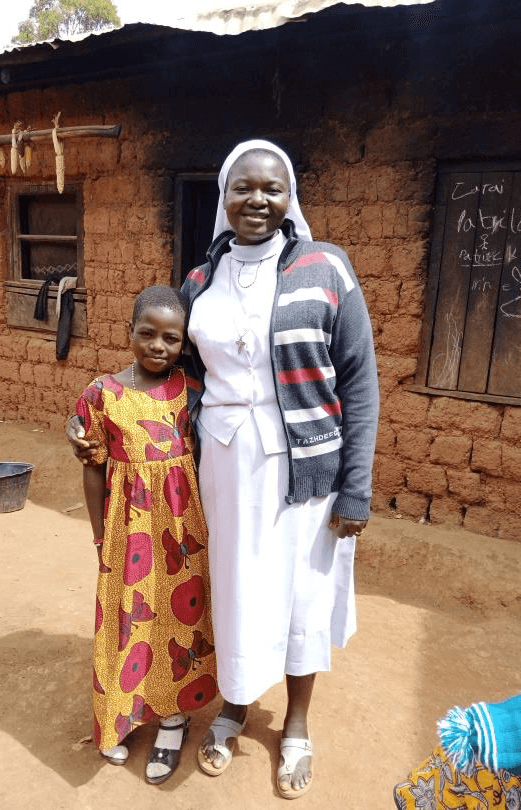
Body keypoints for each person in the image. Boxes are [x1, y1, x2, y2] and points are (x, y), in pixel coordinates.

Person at [180, 139, 379, 799]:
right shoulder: (199, 281)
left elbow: (360, 383)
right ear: (224, 196)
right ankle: (235, 704)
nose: (257, 200)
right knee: (235, 589)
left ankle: (295, 724)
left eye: (272, 187)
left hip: (306, 469)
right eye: (243, 187)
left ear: (290, 196)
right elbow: (180, 375)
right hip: (224, 466)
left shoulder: (326, 268)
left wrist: (355, 489)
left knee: (300, 593)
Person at [74, 284, 216, 785]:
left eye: (171, 339)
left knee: (177, 619)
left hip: (181, 529)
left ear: (183, 343)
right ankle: (120, 713)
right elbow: (92, 465)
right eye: (147, 334)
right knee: (126, 617)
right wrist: (99, 536)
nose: (158, 346)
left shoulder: (191, 390)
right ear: (129, 333)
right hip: (126, 529)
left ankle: (173, 720)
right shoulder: (101, 394)